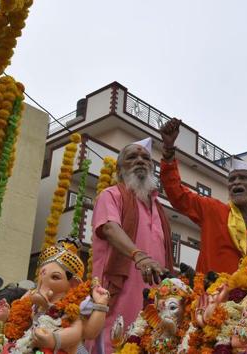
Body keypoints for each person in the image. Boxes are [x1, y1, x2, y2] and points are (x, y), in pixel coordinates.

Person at [90, 137, 175, 353]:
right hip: (119, 293)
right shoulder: (111, 195)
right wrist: (140, 256)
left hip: (154, 298)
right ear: (120, 169)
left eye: (146, 158)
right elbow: (109, 227)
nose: (140, 160)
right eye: (132, 157)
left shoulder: (159, 208)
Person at [159, 118, 247, 274]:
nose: (236, 183)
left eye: (243, 178)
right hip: (212, 295)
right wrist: (168, 150)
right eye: (232, 179)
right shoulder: (212, 209)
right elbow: (177, 194)